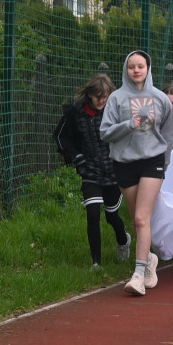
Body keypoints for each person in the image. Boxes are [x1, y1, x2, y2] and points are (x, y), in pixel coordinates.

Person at [100, 50, 173, 297]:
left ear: (148, 68)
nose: (136, 70)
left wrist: (165, 162)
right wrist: (129, 124)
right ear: (126, 69)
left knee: (142, 219)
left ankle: (138, 274)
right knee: (136, 219)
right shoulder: (116, 99)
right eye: (131, 66)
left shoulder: (160, 98)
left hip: (152, 162)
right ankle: (150, 258)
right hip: (124, 163)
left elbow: (168, 132)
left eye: (140, 66)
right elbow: (105, 133)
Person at [54, 74, 131, 268]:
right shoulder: (75, 112)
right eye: (98, 96)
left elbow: (128, 135)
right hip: (89, 171)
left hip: (113, 171)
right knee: (93, 214)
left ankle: (123, 241)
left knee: (112, 216)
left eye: (105, 96)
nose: (102, 101)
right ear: (89, 94)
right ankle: (96, 263)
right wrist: (75, 156)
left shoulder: (116, 111)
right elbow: (61, 137)